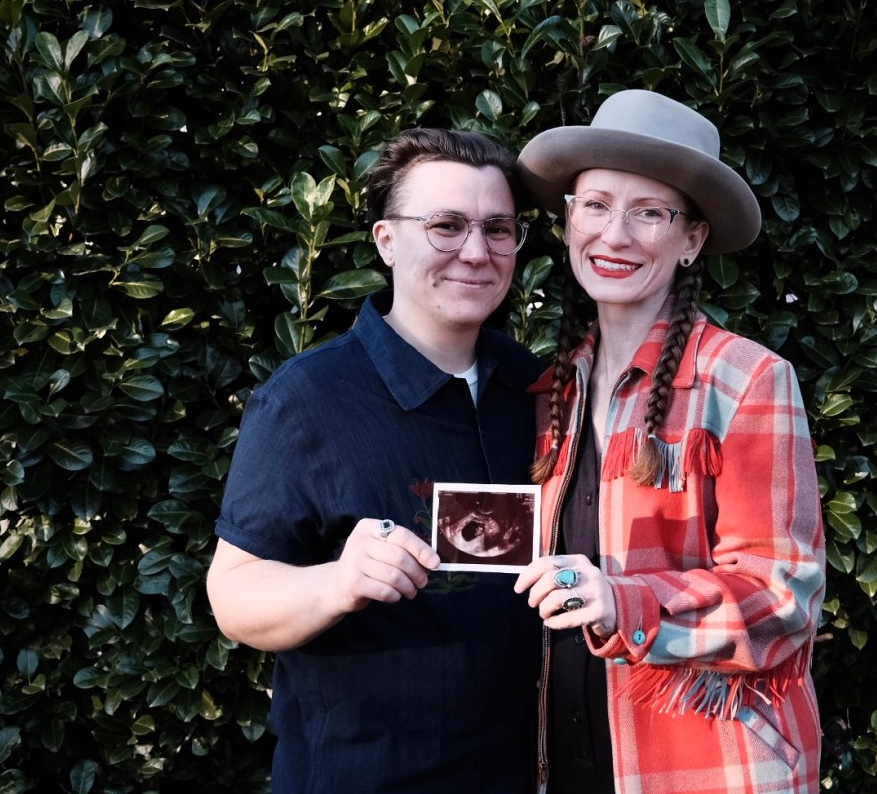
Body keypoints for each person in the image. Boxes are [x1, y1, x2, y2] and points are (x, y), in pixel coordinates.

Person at [206, 128, 543, 793]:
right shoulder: (307, 400)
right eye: (446, 226)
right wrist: (335, 582)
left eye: (498, 229)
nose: (475, 252)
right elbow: (232, 596)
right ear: (387, 241)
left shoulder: (529, 386)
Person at [513, 90, 826, 794]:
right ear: (568, 222)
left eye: (649, 212)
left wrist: (627, 601)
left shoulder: (747, 380)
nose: (614, 235)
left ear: (691, 240)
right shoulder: (552, 390)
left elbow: (785, 599)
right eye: (594, 205)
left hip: (706, 768)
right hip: (567, 759)